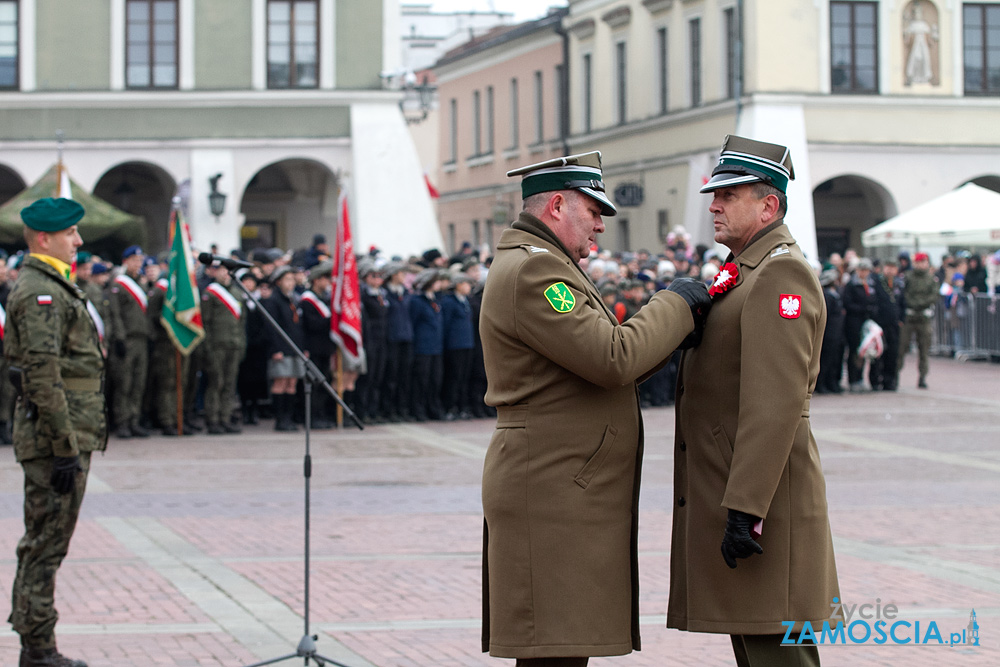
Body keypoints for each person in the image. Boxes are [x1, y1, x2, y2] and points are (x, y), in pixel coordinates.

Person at [480, 151, 710, 665]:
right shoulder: (538, 271)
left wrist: (669, 334)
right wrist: (674, 305)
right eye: (593, 210)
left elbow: (607, 366)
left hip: (558, 484)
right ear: (557, 205)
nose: (601, 226)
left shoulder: (544, 263)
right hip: (551, 489)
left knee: (562, 650)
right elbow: (612, 357)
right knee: (554, 653)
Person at [668, 136, 840, 667]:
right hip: (743, 488)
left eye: (729, 194)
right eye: (714, 194)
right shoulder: (743, 270)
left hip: (764, 500)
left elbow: (775, 403)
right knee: (756, 643)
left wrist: (745, 508)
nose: (713, 204)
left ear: (769, 206)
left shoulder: (779, 273)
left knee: (776, 649)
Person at [6, 198, 106, 667]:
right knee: (46, 544)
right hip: (55, 439)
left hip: (66, 432)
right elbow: (42, 376)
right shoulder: (40, 292)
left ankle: (36, 642)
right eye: (71, 234)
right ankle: (38, 649)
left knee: (47, 542)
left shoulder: (52, 285)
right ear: (44, 238)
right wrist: (65, 447)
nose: (79, 242)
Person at [106, 245, 150, 438]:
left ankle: (134, 419)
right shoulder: (119, 285)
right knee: (124, 383)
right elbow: (115, 314)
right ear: (126, 261)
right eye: (135, 261)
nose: (138, 264)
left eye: (140, 261)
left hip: (141, 339)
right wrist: (120, 338)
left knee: (138, 383)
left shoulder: (141, 284)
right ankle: (122, 421)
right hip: (127, 339)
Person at [201, 263, 246, 434]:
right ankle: (213, 419)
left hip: (234, 345)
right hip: (216, 346)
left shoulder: (236, 293)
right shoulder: (210, 293)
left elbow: (241, 323)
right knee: (216, 383)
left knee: (229, 384)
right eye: (222, 271)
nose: (225, 274)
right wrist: (208, 348)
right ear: (215, 272)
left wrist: (241, 344)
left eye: (228, 271)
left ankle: (225, 418)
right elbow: (205, 322)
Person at [262, 265, 306, 431]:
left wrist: (303, 348)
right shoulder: (274, 301)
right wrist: (275, 349)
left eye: (293, 279)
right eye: (288, 279)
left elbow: (299, 326)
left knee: (292, 382)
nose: (291, 283)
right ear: (279, 281)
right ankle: (280, 419)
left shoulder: (293, 300)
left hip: (295, 347)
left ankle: (289, 417)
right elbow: (271, 327)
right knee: (281, 381)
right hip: (281, 348)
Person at [898, 252, 937, 388]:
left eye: (923, 262)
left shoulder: (931, 279)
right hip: (909, 316)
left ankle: (922, 377)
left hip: (923, 317)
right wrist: (913, 303)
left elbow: (934, 295)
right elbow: (903, 294)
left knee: (924, 349)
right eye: (918, 262)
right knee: (901, 347)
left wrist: (921, 303)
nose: (921, 265)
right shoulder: (908, 277)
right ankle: (895, 375)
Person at [841, 257, 878, 392]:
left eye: (866, 270)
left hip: (866, 321)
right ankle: (853, 379)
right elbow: (847, 303)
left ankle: (861, 377)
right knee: (854, 350)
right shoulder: (851, 284)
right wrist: (862, 308)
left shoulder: (871, 284)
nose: (864, 273)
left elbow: (874, 300)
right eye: (862, 270)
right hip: (854, 321)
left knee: (865, 350)